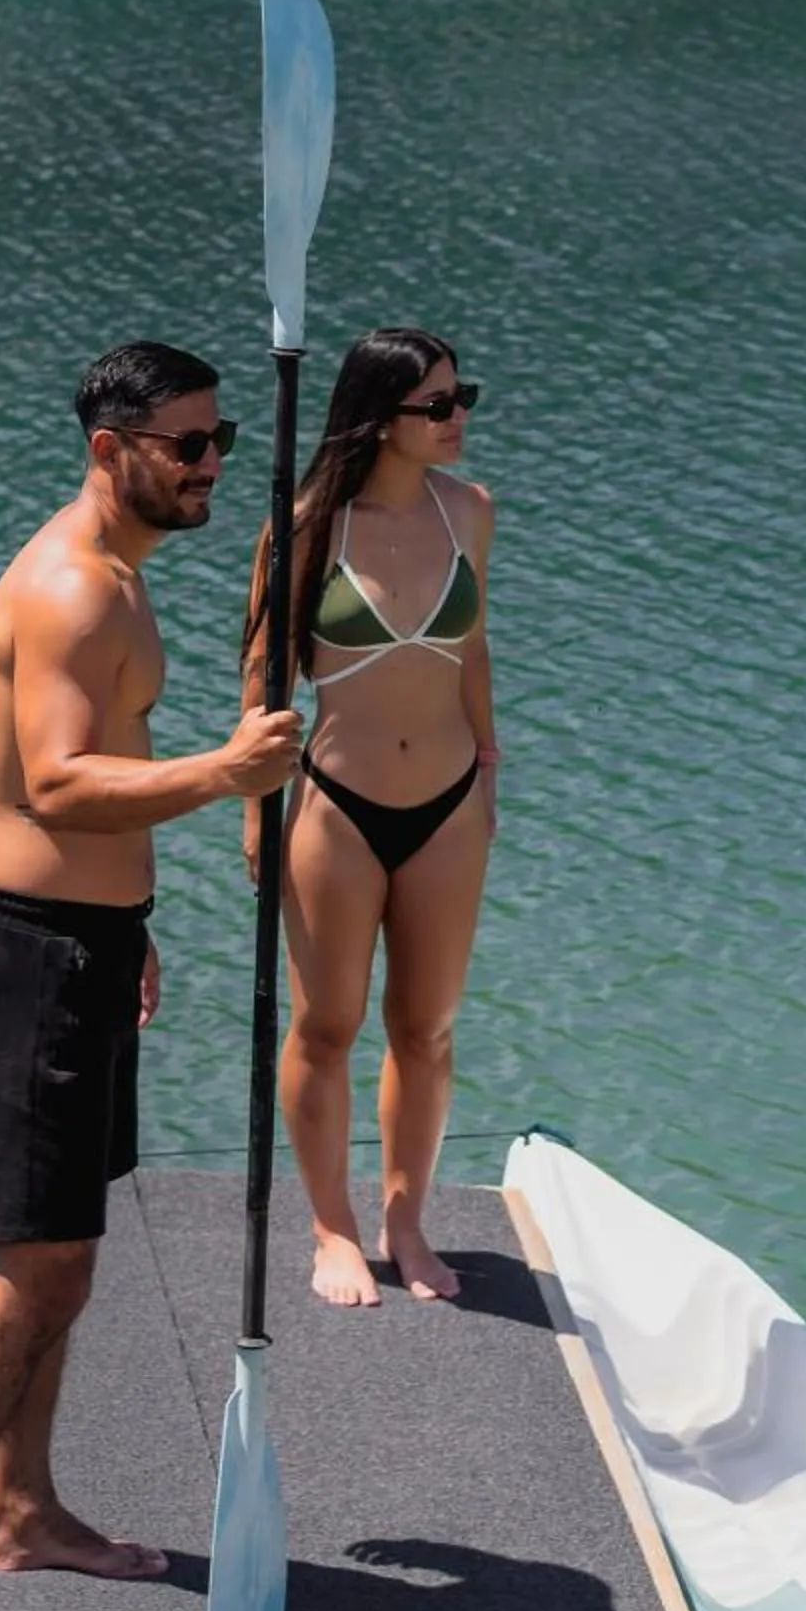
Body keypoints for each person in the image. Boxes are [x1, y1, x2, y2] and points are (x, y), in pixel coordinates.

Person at [0, 341, 303, 1611]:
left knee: (67, 1258)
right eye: (189, 446)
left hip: (85, 947)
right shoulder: (70, 587)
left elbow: (88, 784)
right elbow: (58, 781)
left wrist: (129, 923)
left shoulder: (119, 575)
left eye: (223, 440)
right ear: (112, 449)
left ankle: (23, 1512)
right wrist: (227, 772)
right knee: (38, 1275)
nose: (213, 466)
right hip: (27, 966)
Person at [242, 329, 495, 1306]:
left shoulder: (469, 511)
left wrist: (490, 770)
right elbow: (263, 670)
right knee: (327, 1026)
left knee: (426, 1028)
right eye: (437, 404)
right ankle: (332, 1229)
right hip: (335, 805)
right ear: (379, 418)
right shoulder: (307, 523)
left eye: (462, 396)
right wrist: (257, 810)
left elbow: (473, 650)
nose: (457, 416)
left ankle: (405, 1221)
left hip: (449, 805)